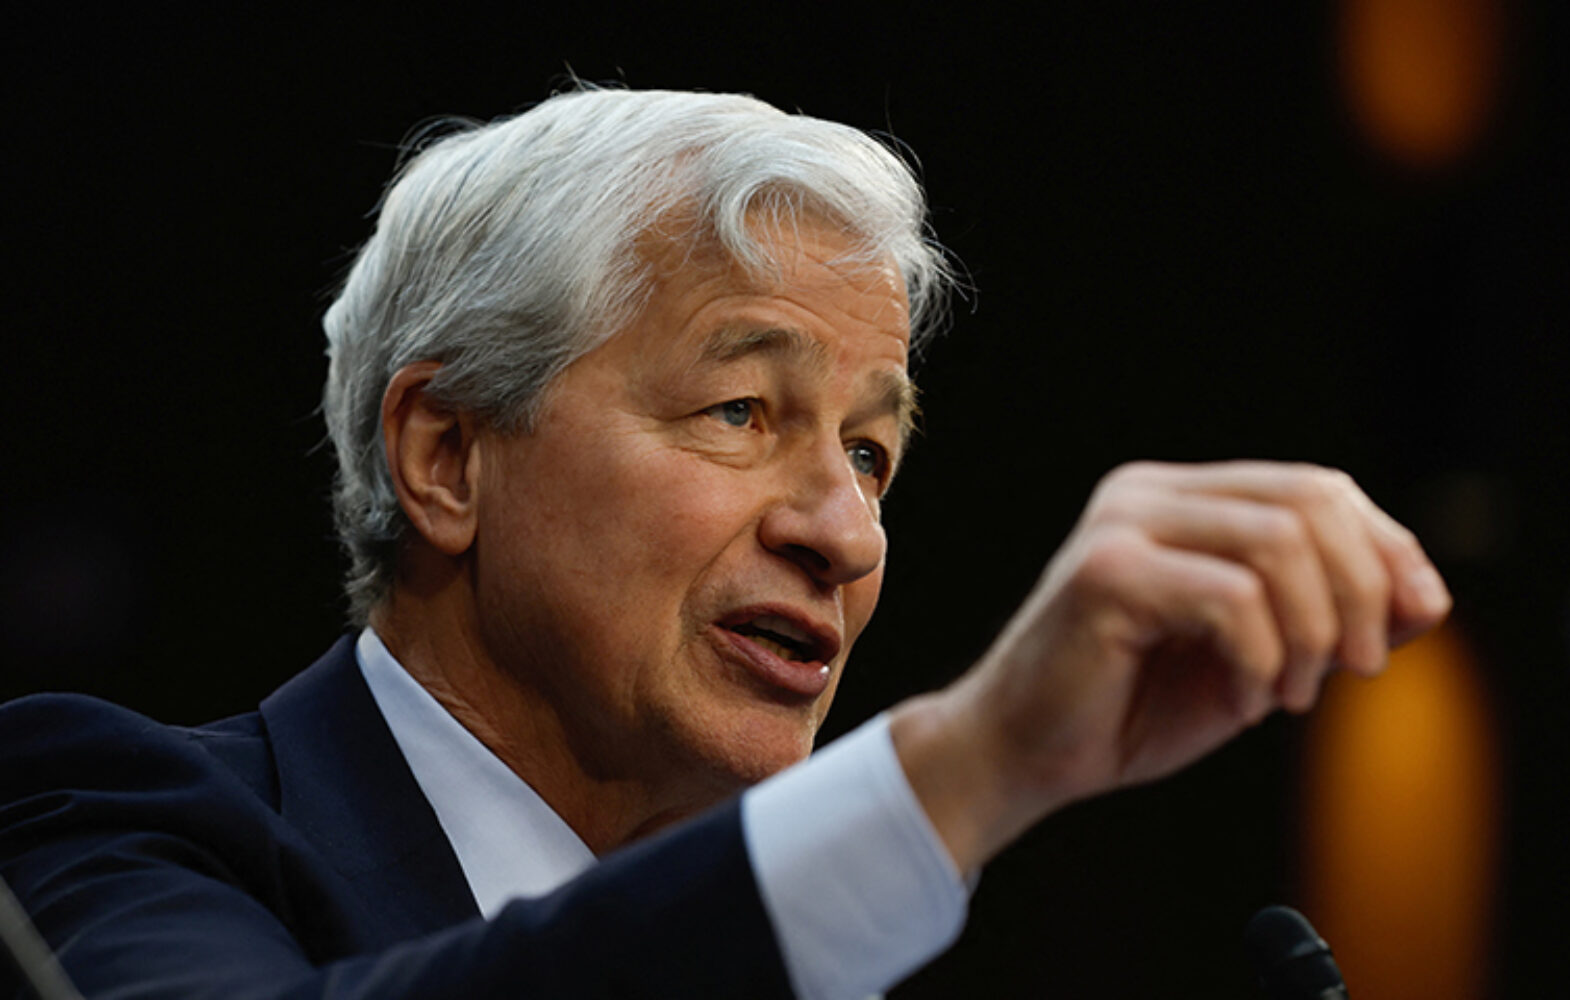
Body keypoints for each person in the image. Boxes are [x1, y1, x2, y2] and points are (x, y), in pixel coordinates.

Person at [0, 86, 1451, 999]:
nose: (845, 534)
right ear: (445, 456)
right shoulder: (103, 816)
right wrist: (973, 761)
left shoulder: (832, 954)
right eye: (741, 410)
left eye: (870, 454)